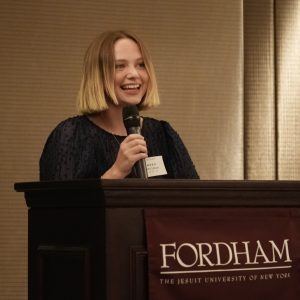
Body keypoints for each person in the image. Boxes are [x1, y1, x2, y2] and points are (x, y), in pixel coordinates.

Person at [39, 30, 199, 180]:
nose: (134, 74)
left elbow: (198, 201)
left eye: (141, 65)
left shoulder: (163, 134)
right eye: (119, 66)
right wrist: (117, 171)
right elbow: (57, 208)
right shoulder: (70, 135)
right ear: (98, 76)